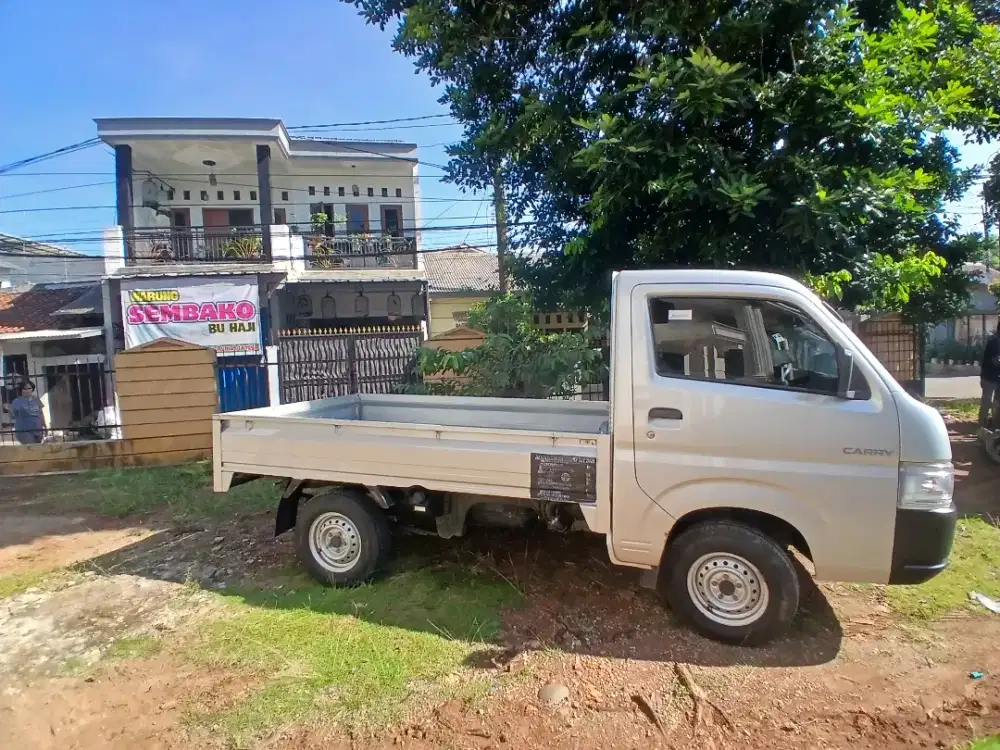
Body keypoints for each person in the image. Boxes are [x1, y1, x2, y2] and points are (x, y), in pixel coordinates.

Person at [10, 381, 45, 445]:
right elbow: (13, 416)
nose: (27, 391)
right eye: (24, 389)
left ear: (32, 389)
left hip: (37, 428)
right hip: (24, 430)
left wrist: (44, 425)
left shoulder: (36, 399)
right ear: (21, 390)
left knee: (37, 449)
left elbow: (41, 413)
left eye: (29, 388)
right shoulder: (16, 401)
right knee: (30, 447)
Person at [980, 325, 1000, 428]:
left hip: (996, 378)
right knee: (987, 403)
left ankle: (994, 428)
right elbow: (996, 361)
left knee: (996, 405)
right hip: (990, 378)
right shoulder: (993, 343)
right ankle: (982, 428)